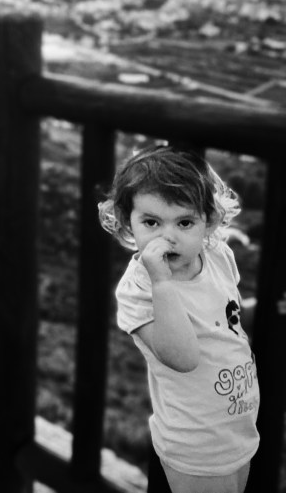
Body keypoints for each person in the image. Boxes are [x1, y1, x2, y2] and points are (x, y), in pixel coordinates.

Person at [99, 145, 259, 493]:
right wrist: (162, 282)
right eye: (151, 222)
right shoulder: (139, 289)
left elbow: (228, 315)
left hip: (238, 428)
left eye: (184, 222)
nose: (167, 237)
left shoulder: (217, 255)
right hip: (195, 444)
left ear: (208, 221)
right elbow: (182, 358)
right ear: (128, 222)